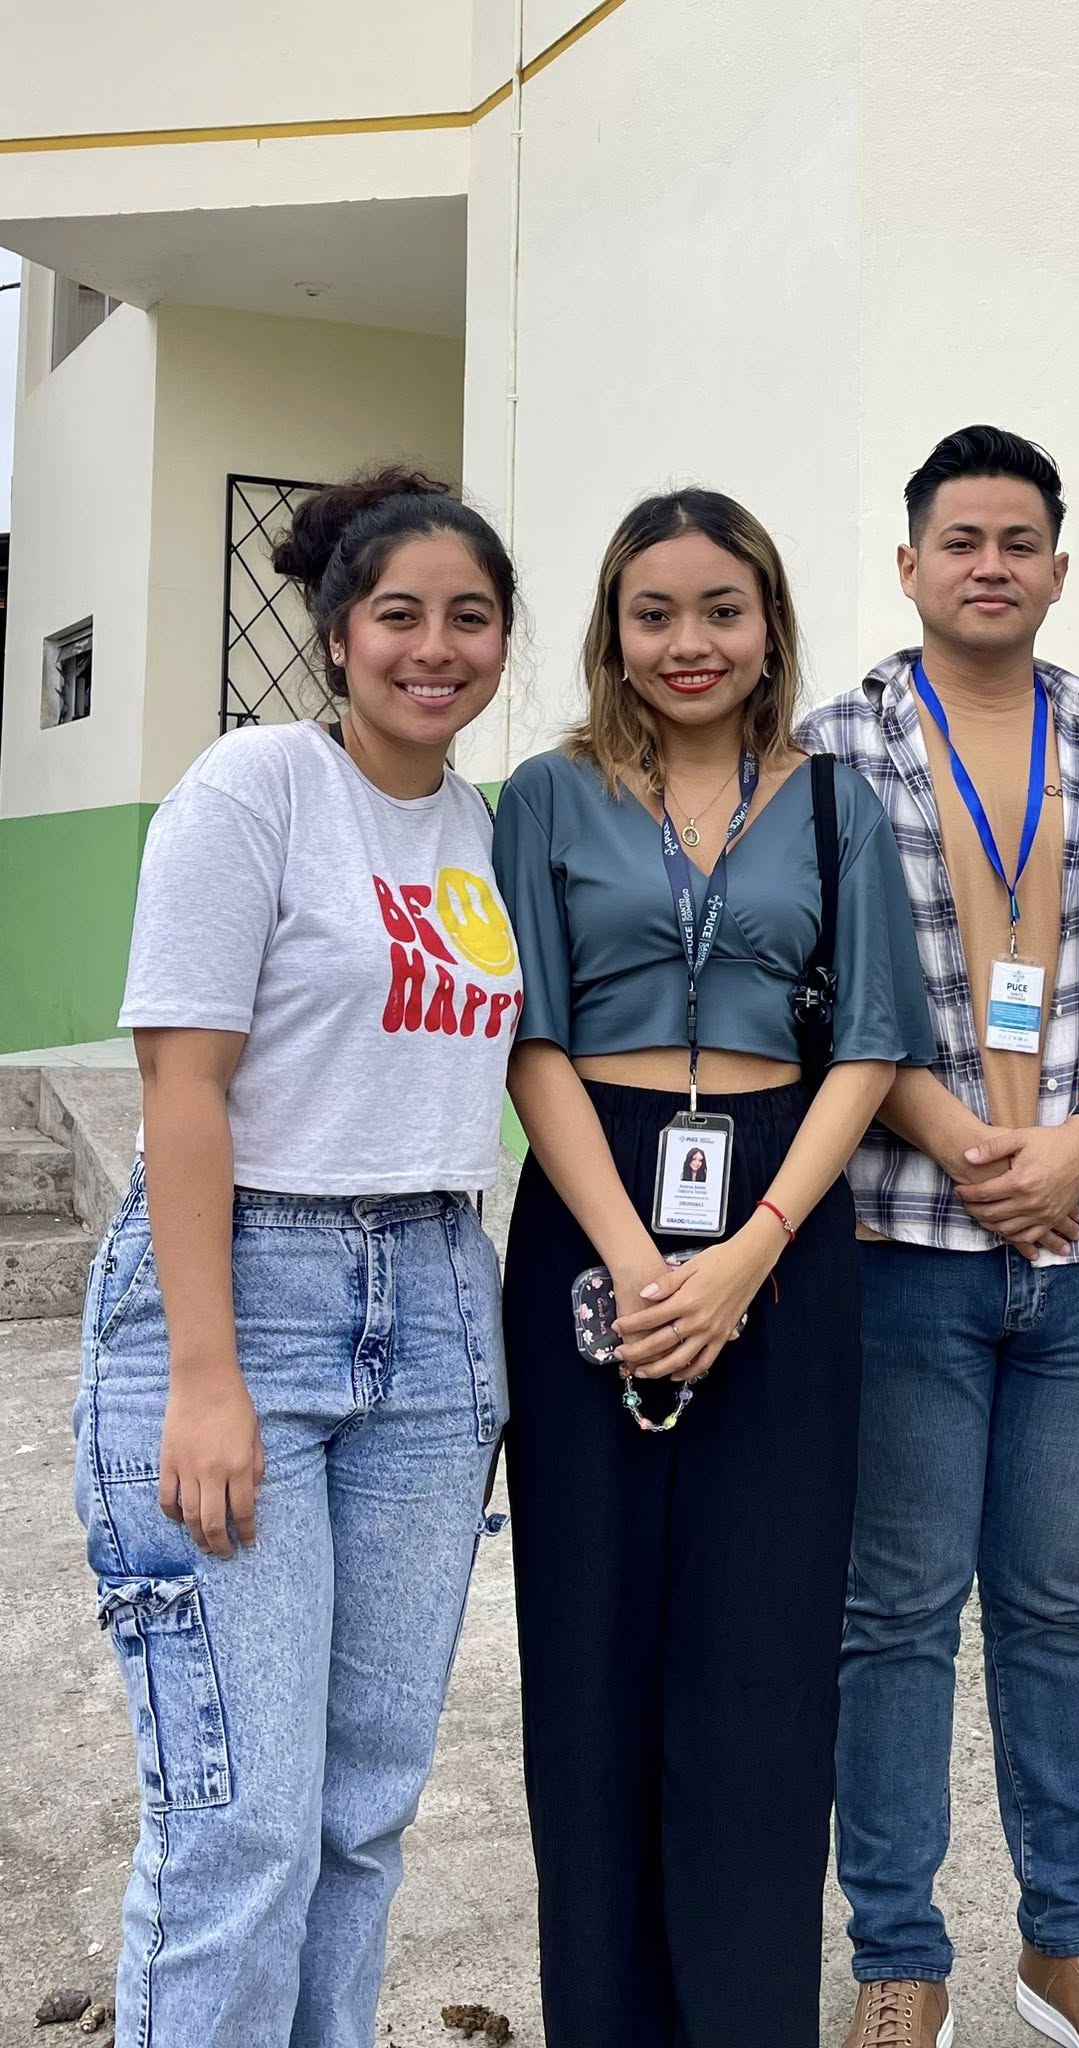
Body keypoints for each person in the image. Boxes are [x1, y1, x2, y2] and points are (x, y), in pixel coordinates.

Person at [74, 469, 523, 2047]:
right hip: (248, 1290)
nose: (435, 648)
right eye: (399, 615)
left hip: (438, 1299)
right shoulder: (256, 786)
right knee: (239, 1821)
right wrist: (204, 1377)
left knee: (358, 1813)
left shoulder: (484, 826)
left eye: (471, 618)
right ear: (337, 634)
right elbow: (180, 1086)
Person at [492, 488, 935, 2047]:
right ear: (612, 630)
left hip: (779, 1214)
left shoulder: (833, 805)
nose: (689, 642)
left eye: (721, 610)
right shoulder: (545, 798)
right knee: (591, 1645)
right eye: (654, 612)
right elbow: (528, 1037)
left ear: (769, 625)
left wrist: (749, 1253)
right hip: (590, 1205)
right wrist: (632, 1260)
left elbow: (869, 1044)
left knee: (761, 1657)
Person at [801, 425, 1079, 2048]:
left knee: (1053, 1608)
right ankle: (897, 1959)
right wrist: (969, 1148)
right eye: (958, 539)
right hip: (903, 1237)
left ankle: (1070, 1944)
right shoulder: (831, 749)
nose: (988, 564)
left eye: (1017, 541)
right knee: (893, 1614)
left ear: (1055, 566)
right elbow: (818, 984)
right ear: (909, 565)